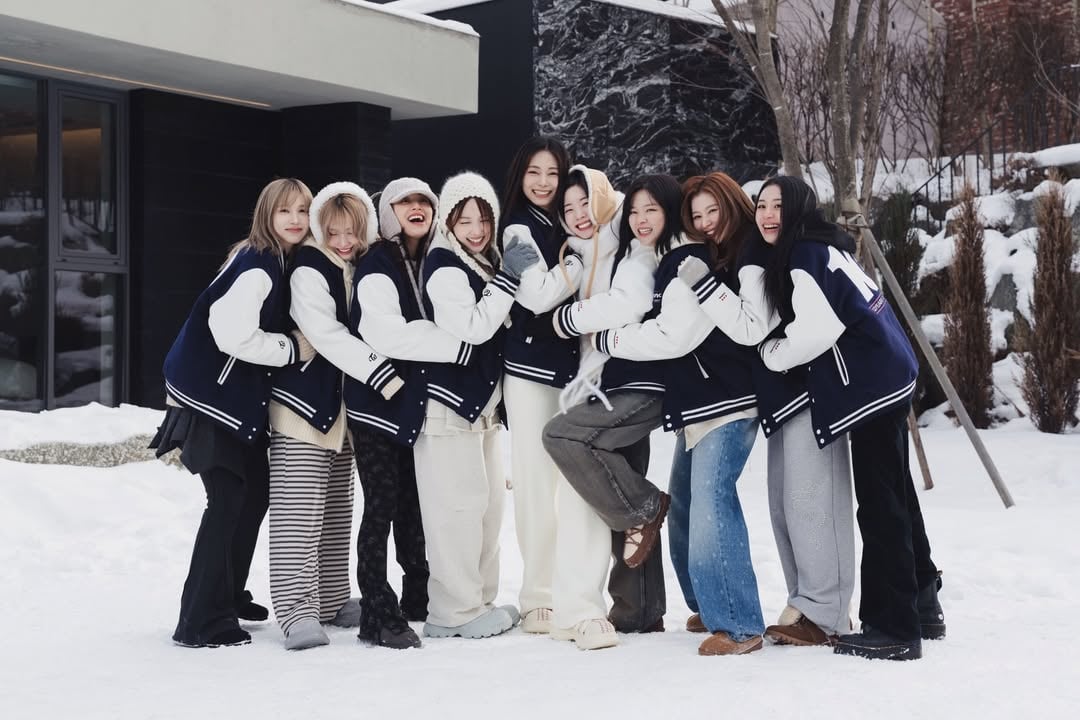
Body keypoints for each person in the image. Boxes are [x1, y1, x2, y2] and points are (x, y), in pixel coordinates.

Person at [690, 176, 940, 660]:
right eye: (762, 205)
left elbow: (816, 329)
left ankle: (895, 628)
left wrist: (775, 354)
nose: (768, 215)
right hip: (887, 374)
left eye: (778, 206)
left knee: (880, 505)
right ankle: (924, 603)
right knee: (899, 495)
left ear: (799, 209)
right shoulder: (822, 245)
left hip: (869, 384)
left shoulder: (803, 255)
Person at [596, 172, 765, 655]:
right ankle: (709, 607)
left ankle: (738, 624)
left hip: (725, 400)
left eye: (714, 212)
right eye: (698, 215)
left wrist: (607, 339)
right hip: (697, 403)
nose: (707, 222)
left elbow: (674, 336)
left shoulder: (695, 260)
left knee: (712, 504)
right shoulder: (691, 257)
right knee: (688, 506)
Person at [150, 178, 313, 648]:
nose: (295, 219)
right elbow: (231, 334)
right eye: (284, 210)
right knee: (227, 500)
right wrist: (291, 348)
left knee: (253, 495)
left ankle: (227, 595)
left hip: (231, 401)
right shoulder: (258, 265)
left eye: (303, 210)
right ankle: (201, 621)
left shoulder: (274, 259)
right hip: (210, 400)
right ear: (266, 215)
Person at [542, 174, 685, 635]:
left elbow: (630, 302)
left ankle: (647, 505)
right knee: (622, 481)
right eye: (568, 209)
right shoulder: (599, 249)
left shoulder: (633, 249)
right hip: (615, 379)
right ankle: (638, 610)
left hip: (639, 381)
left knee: (563, 435)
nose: (578, 214)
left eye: (585, 203)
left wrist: (568, 319)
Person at [347, 177, 475, 649]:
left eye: (424, 200)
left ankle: (417, 596)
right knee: (381, 506)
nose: (416, 207)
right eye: (405, 202)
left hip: (412, 404)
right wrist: (458, 348)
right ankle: (377, 612)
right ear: (389, 213)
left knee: (413, 505)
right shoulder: (378, 263)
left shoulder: (436, 258)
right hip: (373, 404)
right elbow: (386, 334)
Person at [266, 182, 393, 650]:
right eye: (333, 231)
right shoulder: (309, 267)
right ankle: (295, 610)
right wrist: (382, 374)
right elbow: (326, 333)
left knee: (336, 510)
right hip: (302, 409)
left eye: (352, 232)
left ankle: (332, 598)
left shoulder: (359, 266)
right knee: (298, 514)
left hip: (340, 414)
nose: (343, 241)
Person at [416, 171, 539, 639]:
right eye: (464, 219)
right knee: (456, 511)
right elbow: (472, 327)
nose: (476, 229)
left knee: (486, 509)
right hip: (448, 409)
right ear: (448, 222)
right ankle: (453, 612)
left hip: (480, 409)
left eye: (483, 219)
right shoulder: (445, 264)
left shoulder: (480, 262)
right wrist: (508, 278)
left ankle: (479, 600)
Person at [497, 137, 583, 634]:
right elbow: (536, 296)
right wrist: (578, 260)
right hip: (529, 371)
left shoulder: (570, 221)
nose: (544, 182)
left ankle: (572, 589)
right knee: (534, 483)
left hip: (574, 371)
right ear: (520, 175)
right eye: (534, 172)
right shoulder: (516, 229)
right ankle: (536, 596)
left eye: (553, 173)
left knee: (572, 486)